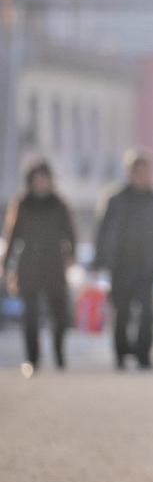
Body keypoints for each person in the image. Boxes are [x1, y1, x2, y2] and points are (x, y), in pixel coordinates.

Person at [94, 152, 153, 369]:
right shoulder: (115, 199)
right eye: (138, 171)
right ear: (130, 173)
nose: (143, 176)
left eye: (146, 171)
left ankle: (144, 354)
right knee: (121, 312)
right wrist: (99, 260)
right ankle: (121, 353)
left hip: (146, 265)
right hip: (120, 266)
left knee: (147, 314)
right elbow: (103, 232)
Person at [1, 161, 76, 377]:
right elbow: (12, 237)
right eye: (37, 179)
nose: (41, 183)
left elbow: (70, 234)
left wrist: (72, 255)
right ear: (31, 182)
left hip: (54, 264)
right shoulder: (22, 204)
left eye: (44, 178)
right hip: (29, 266)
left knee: (59, 315)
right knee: (31, 317)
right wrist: (5, 266)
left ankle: (59, 354)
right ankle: (32, 358)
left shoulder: (59, 205)